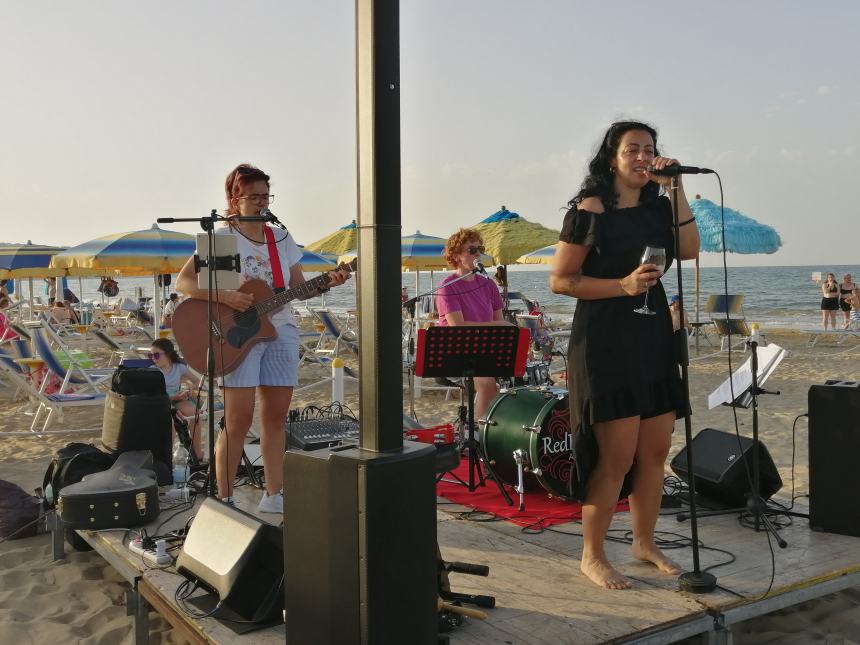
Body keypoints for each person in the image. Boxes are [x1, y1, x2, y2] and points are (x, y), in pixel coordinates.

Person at [549, 121, 699, 589]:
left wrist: (676, 187)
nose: (642, 156)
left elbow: (690, 250)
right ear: (611, 157)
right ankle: (592, 554)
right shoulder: (590, 209)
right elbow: (562, 280)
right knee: (615, 456)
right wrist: (623, 285)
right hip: (604, 342)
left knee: (654, 450)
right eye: (632, 148)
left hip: (652, 336)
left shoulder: (660, 206)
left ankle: (644, 541)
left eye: (649, 149)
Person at [176, 163, 350, 513]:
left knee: (275, 417)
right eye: (253, 196)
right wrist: (225, 297)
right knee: (238, 418)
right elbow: (185, 283)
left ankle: (274, 495)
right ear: (234, 198)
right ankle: (224, 499)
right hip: (235, 335)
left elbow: (297, 288)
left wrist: (326, 282)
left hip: (281, 330)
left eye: (265, 195)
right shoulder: (223, 238)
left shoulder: (280, 238)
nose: (261, 202)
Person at [436, 229, 512, 420]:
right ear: (456, 256)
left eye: (480, 249)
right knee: (487, 384)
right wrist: (501, 325)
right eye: (471, 250)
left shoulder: (489, 285)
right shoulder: (448, 287)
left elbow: (497, 321)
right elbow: (458, 327)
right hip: (457, 353)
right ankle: (477, 432)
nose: (478, 254)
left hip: (484, 349)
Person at [149, 338, 204, 461]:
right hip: (162, 401)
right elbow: (154, 395)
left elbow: (197, 381)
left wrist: (190, 388)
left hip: (177, 398)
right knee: (171, 422)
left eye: (156, 355)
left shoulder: (179, 367)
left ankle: (196, 453)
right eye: (151, 355)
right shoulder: (152, 370)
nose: (153, 358)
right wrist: (175, 397)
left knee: (196, 414)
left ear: (168, 354)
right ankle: (167, 457)